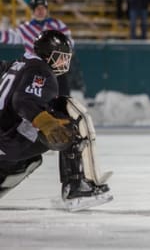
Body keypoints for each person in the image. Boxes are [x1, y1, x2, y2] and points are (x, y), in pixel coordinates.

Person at [0, 30, 112, 211]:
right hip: (8, 140)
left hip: (4, 137)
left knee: (31, 160)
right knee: (68, 127)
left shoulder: (19, 63)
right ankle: (76, 188)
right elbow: (23, 101)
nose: (64, 63)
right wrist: (46, 122)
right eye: (61, 57)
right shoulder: (41, 70)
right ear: (47, 53)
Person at [0, 0, 74, 96]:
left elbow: (69, 42)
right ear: (32, 11)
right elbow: (8, 37)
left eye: (43, 8)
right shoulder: (25, 29)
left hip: (55, 68)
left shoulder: (57, 25)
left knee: (63, 98)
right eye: (37, 8)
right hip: (36, 69)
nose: (41, 11)